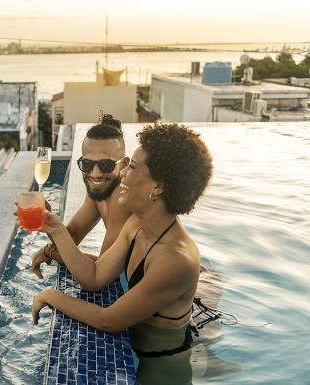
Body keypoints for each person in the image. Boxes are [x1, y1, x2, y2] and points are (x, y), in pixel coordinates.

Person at [32, 123, 214, 385]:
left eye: (133, 167)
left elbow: (110, 320)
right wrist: (55, 230)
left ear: (159, 186)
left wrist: (50, 295)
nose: (123, 173)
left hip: (161, 368)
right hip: (137, 349)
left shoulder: (176, 259)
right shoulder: (137, 223)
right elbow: (95, 277)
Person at [31, 114, 131, 279]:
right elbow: (68, 239)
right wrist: (48, 217)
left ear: (124, 164)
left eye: (106, 165)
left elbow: (101, 272)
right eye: (87, 164)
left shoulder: (123, 200)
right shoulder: (99, 193)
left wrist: (49, 252)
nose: (96, 173)